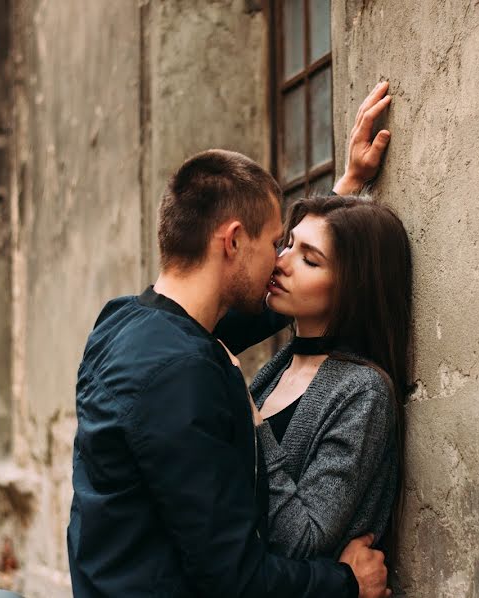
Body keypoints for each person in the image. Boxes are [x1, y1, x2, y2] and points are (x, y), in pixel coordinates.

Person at [67, 84, 394, 597]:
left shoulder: (124, 323)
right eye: (275, 244)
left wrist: (345, 196)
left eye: (299, 252)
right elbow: (235, 578)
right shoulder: (184, 371)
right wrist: (346, 583)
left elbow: (250, 310)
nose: (278, 263)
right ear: (233, 240)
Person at [219, 191, 411, 564]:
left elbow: (303, 540)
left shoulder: (362, 392)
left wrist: (251, 420)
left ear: (354, 286)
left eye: (309, 259)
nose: (280, 263)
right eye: (287, 245)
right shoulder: (279, 368)